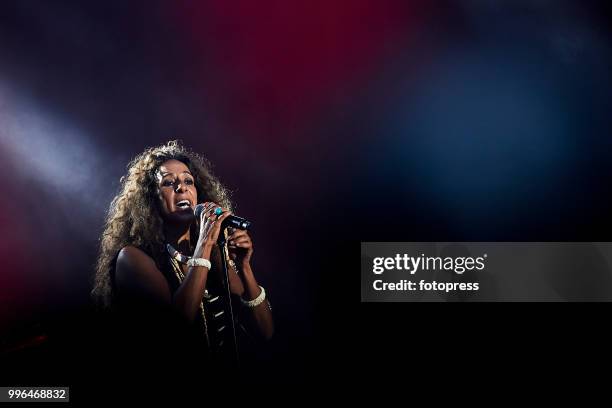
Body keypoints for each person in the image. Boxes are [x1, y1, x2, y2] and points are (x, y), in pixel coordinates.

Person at [91, 140, 273, 383]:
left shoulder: (215, 254)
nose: (181, 188)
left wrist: (244, 267)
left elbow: (265, 332)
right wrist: (205, 244)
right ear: (149, 200)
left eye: (188, 181)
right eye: (168, 183)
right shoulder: (133, 258)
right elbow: (178, 329)